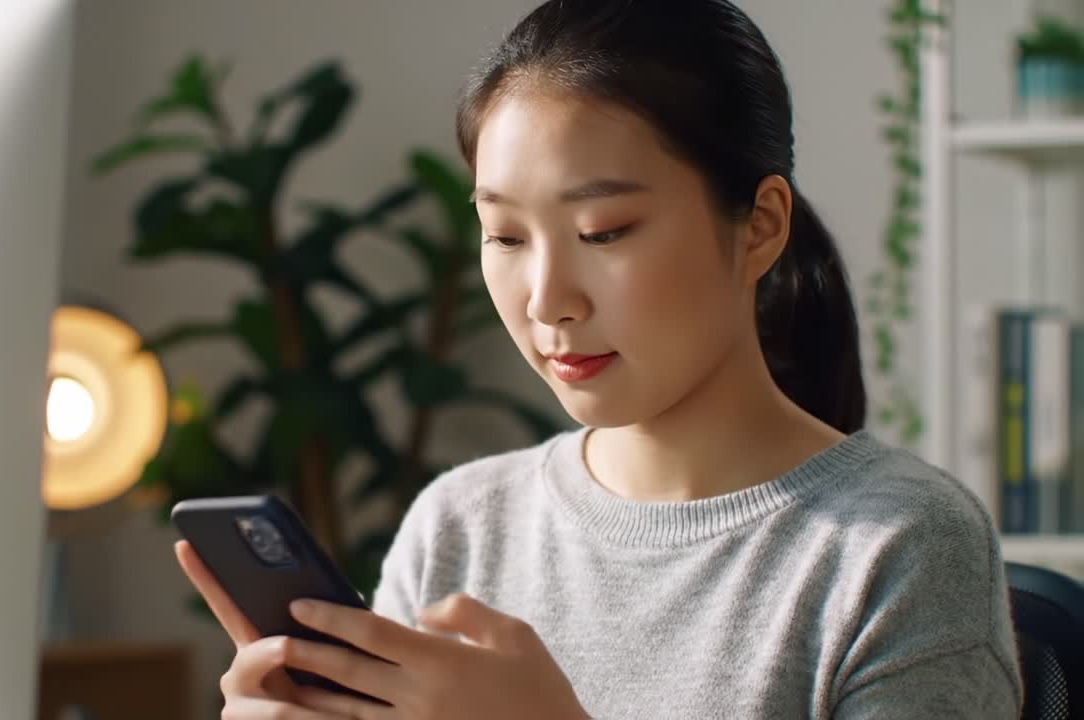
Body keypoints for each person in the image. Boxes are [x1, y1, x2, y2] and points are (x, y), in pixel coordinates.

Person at [175, 0, 1024, 717]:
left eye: (603, 233)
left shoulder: (901, 547)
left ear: (761, 224)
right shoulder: (460, 528)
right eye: (504, 235)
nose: (547, 300)